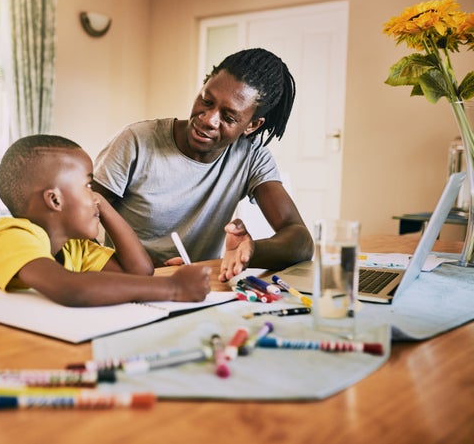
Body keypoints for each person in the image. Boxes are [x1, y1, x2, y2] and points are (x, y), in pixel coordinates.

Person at [93, 48, 314, 283]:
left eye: (229, 117)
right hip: (129, 281)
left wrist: (250, 252)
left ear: (252, 125)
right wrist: (146, 269)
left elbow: (300, 241)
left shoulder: (252, 157)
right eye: (206, 101)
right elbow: (72, 226)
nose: (208, 119)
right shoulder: (136, 142)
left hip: (196, 289)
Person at [0, 134, 211, 306]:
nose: (95, 195)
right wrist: (173, 289)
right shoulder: (11, 235)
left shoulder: (73, 248)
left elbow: (139, 272)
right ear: (55, 200)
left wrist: (103, 207)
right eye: (88, 185)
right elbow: (71, 289)